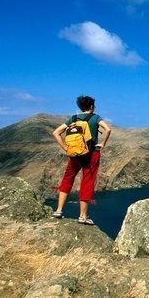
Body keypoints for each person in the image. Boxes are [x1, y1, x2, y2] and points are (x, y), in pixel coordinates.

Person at [51, 95, 111, 225]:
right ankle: (82, 216)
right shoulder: (95, 118)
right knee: (87, 182)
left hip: (74, 154)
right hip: (91, 154)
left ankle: (58, 210)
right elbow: (108, 129)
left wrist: (66, 148)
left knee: (68, 178)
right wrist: (103, 144)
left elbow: (56, 133)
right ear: (91, 106)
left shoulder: (73, 119)